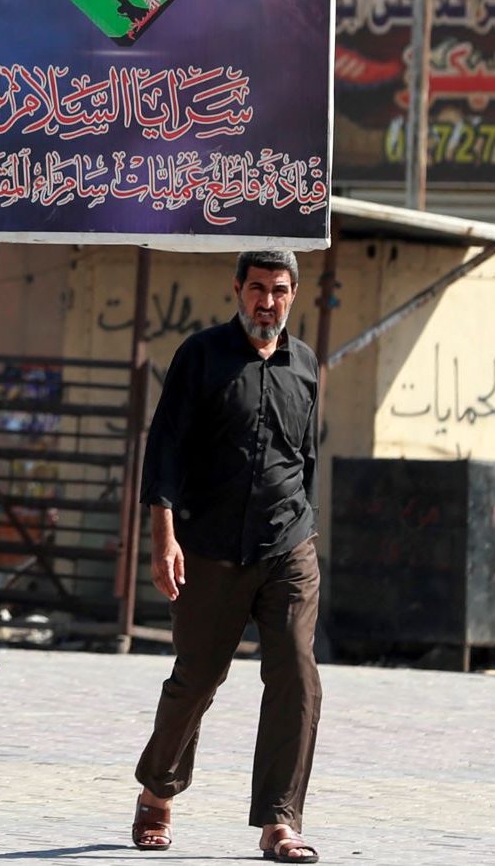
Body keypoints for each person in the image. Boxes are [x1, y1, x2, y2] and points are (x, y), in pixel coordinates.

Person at [131, 249, 321, 863]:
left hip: (288, 544)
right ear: (237, 289)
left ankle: (280, 820)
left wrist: (302, 528)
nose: (269, 302)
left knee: (295, 672)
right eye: (258, 288)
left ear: (295, 294)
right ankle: (158, 791)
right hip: (210, 548)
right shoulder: (202, 356)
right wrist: (164, 537)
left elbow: (304, 462)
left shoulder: (306, 366)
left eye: (281, 290)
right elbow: (166, 450)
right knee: (198, 679)